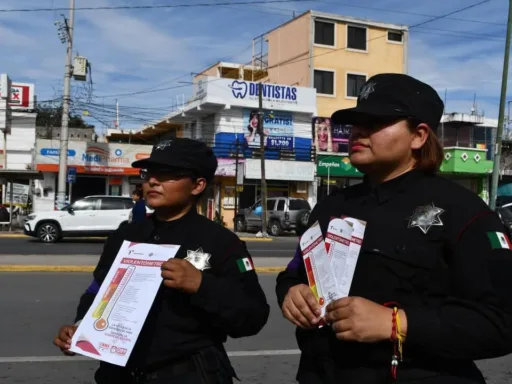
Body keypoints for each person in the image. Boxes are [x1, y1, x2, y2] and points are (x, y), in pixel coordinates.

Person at [276, 73, 512, 383]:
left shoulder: (464, 212)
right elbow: (296, 271)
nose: (358, 131)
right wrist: (292, 292)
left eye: (376, 122)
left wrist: (396, 322)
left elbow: (501, 322)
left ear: (419, 136)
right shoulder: (331, 207)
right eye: (356, 122)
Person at [54, 138, 270, 384]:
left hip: (188, 373)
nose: (152, 181)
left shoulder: (222, 242)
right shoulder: (125, 235)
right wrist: (80, 326)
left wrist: (201, 285)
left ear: (197, 185)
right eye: (149, 173)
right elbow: (97, 290)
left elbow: (253, 316)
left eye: (167, 174)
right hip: (119, 374)